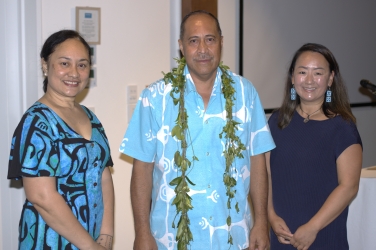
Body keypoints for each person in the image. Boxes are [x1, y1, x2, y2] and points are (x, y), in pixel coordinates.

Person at [119, 10, 275, 250]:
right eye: (194, 41)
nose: (203, 49)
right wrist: (142, 233)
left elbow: (257, 161)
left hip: (233, 237)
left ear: (221, 42)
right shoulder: (155, 98)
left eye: (210, 39)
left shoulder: (245, 93)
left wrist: (262, 221)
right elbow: (142, 169)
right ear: (181, 46)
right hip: (171, 239)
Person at [7, 30, 114, 250]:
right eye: (64, 63)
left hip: (91, 240)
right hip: (50, 241)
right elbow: (42, 197)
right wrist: (91, 247)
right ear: (45, 66)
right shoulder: (36, 122)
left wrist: (106, 233)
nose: (74, 73)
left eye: (82, 65)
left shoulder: (91, 118)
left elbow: (103, 175)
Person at [266, 43, 362, 250]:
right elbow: (265, 175)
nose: (309, 80)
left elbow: (349, 186)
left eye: (318, 73)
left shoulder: (343, 128)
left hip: (323, 236)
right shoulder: (276, 121)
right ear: (292, 77)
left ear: (330, 79)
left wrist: (313, 227)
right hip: (281, 237)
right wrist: (271, 216)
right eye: (302, 72)